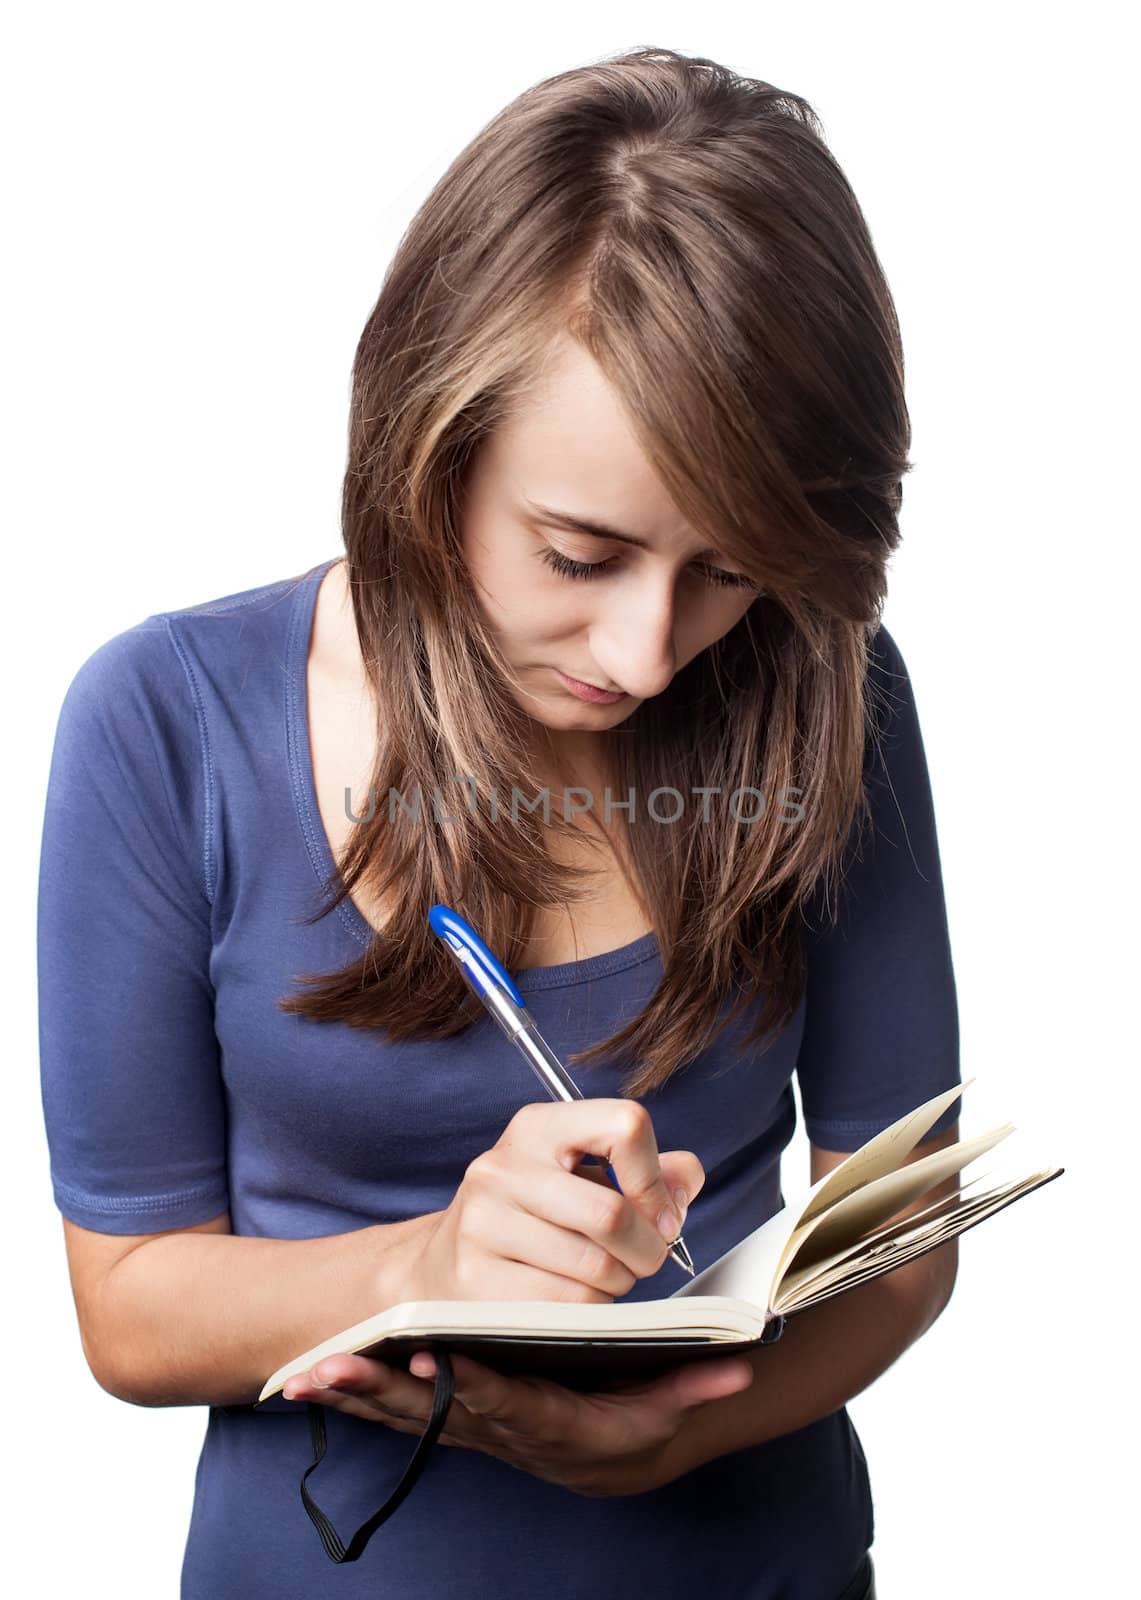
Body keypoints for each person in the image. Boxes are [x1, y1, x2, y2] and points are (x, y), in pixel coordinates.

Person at [36, 46, 962, 1600]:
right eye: (576, 554)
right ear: (428, 449)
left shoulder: (828, 692)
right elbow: (128, 1309)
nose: (645, 653)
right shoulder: (163, 720)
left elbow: (903, 1228)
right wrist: (426, 1264)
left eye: (725, 570)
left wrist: (683, 1434)